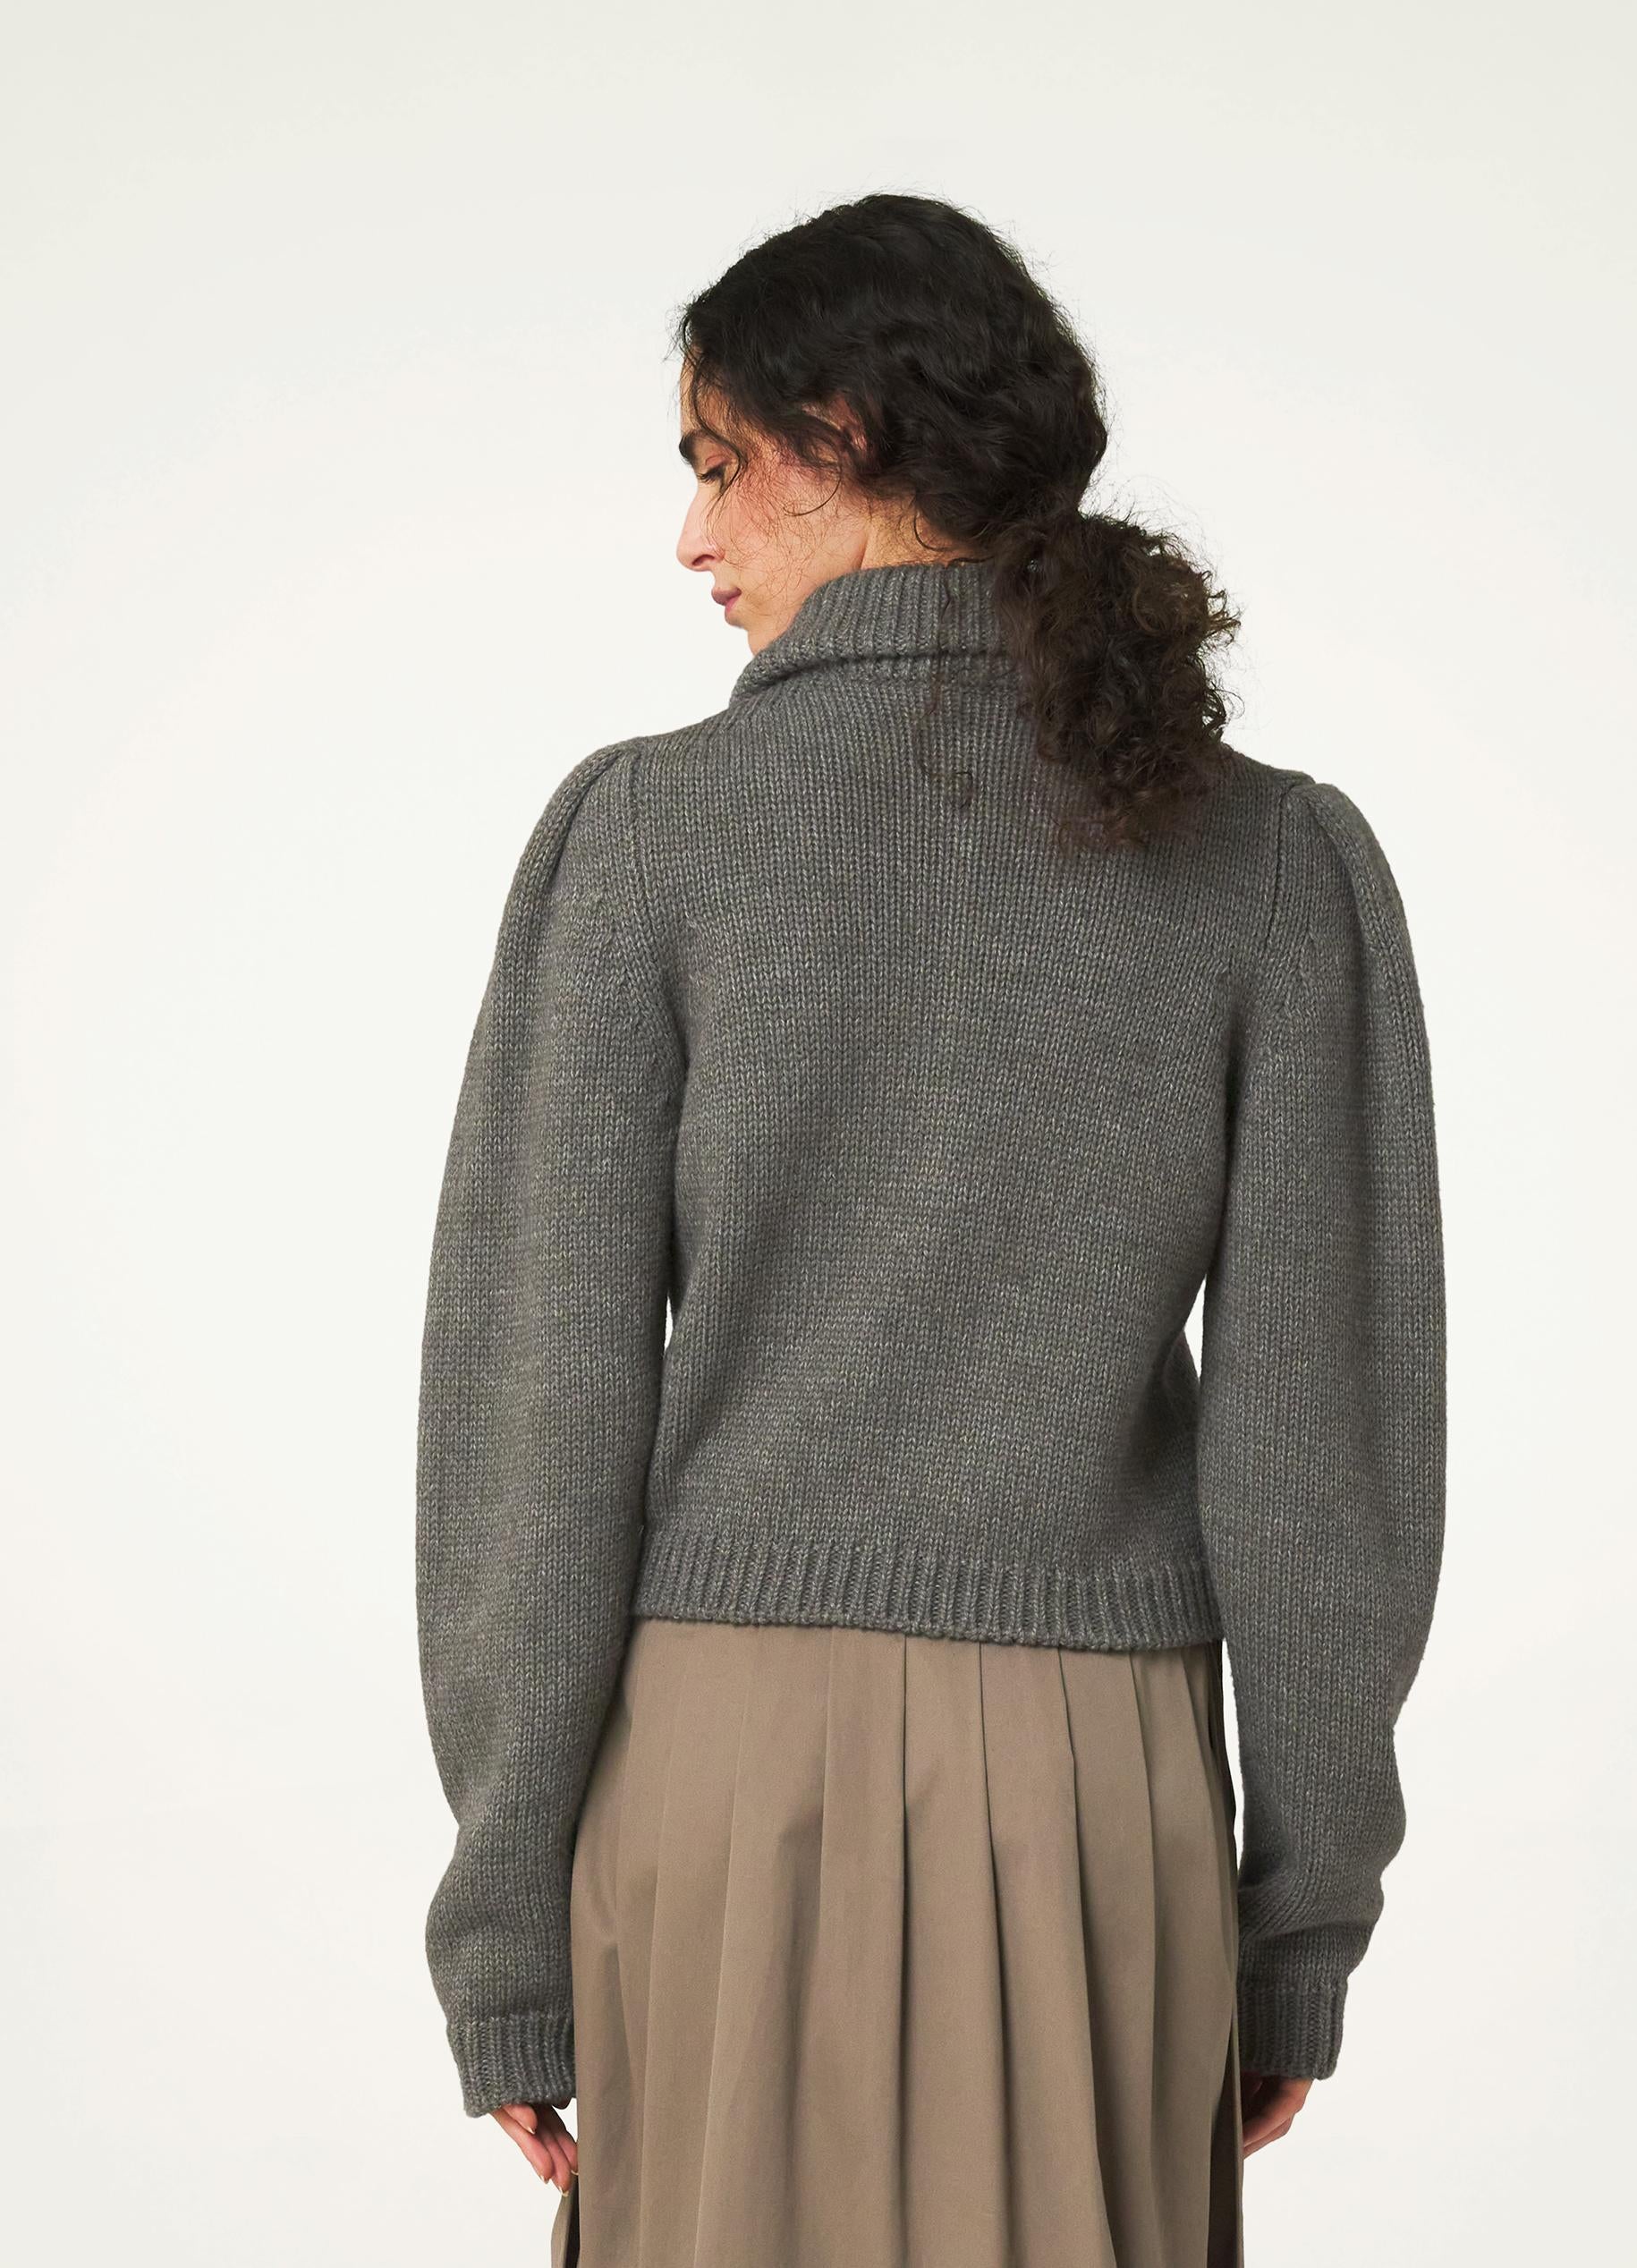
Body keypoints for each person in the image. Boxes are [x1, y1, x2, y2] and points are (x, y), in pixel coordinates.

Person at [414, 191, 1446, 2268]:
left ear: (849, 433)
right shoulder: (1273, 858)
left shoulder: (641, 839)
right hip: (1096, 1798)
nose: (690, 538)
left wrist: (508, 1919)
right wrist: (1300, 1910)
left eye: (718, 464)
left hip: (716, 1783)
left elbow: (538, 1423)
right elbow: (1318, 1452)